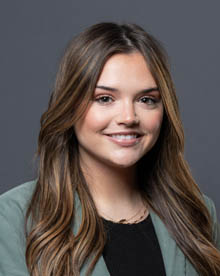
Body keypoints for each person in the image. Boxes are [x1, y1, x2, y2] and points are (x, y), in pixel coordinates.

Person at [0, 22, 220, 276]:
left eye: (146, 99)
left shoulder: (197, 213)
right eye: (104, 98)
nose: (128, 117)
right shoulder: (14, 219)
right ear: (69, 106)